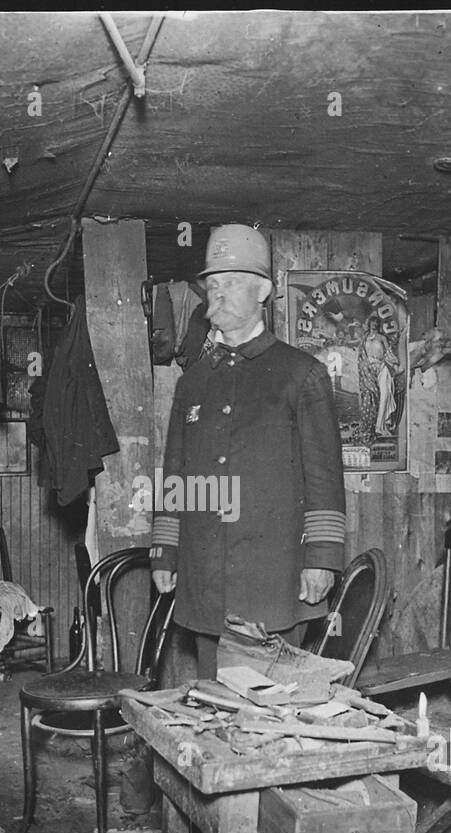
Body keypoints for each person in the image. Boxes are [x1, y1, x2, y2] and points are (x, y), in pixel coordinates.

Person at [150, 224, 347, 678]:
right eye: (212, 285)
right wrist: (165, 550)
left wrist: (321, 559)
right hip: (204, 577)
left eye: (231, 281)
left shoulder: (302, 375)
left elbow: (324, 477)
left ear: (264, 290)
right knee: (213, 707)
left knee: (273, 713)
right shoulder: (193, 381)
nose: (217, 294)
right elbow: (176, 475)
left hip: (272, 580)